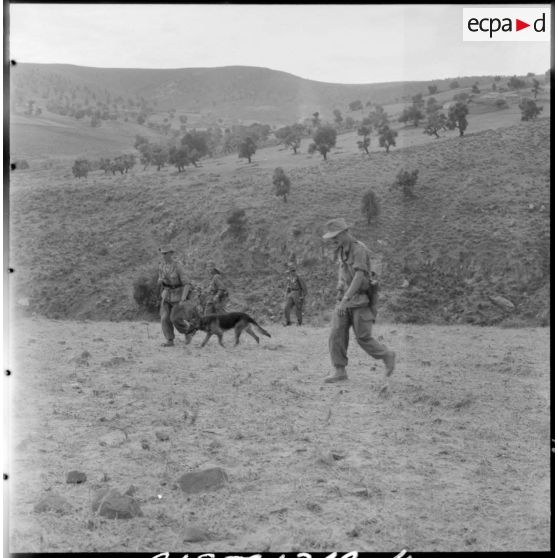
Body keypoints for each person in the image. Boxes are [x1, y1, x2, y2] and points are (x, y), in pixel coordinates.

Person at [322, 218, 395, 383]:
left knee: (363, 337)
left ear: (345, 232)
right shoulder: (341, 250)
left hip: (360, 299)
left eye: (336, 236)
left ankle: (387, 355)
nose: (334, 240)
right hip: (345, 299)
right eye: (332, 237)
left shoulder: (358, 250)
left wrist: (345, 298)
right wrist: (340, 290)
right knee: (336, 333)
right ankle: (339, 370)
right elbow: (343, 274)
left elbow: (359, 276)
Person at [157, 245, 192, 347]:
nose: (163, 255)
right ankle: (169, 340)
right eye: (162, 253)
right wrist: (159, 282)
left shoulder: (178, 266)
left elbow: (187, 283)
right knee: (164, 318)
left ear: (170, 254)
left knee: (174, 318)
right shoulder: (161, 266)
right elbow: (160, 279)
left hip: (178, 295)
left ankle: (188, 331)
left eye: (165, 253)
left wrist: (183, 299)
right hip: (166, 295)